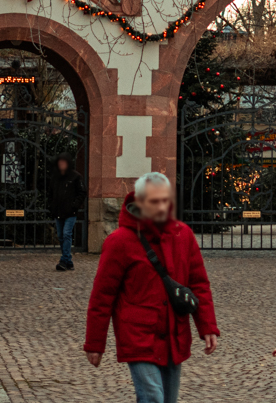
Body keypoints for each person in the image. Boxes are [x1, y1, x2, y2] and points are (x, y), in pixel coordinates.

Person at [84, 172, 220, 403]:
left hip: (174, 333)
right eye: (154, 201)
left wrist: (207, 326)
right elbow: (102, 296)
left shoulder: (183, 234)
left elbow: (198, 283)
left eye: (165, 200)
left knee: (167, 399)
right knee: (152, 397)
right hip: (138, 336)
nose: (161, 207)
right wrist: (95, 343)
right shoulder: (119, 242)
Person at [47, 153, 87, 272]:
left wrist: (74, 205)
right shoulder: (55, 177)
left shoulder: (75, 176)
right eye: (60, 163)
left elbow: (82, 192)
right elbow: (50, 193)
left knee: (66, 234)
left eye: (64, 162)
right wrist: (51, 206)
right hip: (58, 211)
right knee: (60, 235)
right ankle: (69, 261)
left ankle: (63, 261)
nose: (62, 165)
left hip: (70, 212)